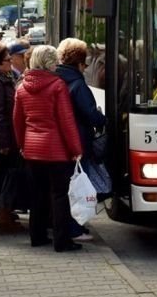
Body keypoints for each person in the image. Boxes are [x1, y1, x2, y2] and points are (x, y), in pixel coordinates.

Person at [13, 45, 83, 252]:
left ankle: (37, 236)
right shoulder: (57, 86)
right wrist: (76, 148)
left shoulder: (22, 87)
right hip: (56, 149)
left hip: (32, 149)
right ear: (50, 62)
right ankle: (61, 241)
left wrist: (22, 146)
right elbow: (66, 120)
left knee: (38, 194)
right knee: (59, 195)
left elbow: (17, 121)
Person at [55, 38, 106, 242]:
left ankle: (68, 226)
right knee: (77, 186)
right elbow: (89, 113)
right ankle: (75, 228)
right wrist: (104, 119)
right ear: (79, 63)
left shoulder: (56, 78)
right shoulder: (77, 84)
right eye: (85, 64)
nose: (86, 69)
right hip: (77, 140)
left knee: (65, 186)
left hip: (59, 141)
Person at [0, 44, 24, 232]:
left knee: (12, 178)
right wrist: (4, 144)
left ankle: (6, 214)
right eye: (8, 60)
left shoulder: (5, 79)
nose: (11, 62)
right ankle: (3, 217)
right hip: (4, 142)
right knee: (7, 179)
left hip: (10, 138)